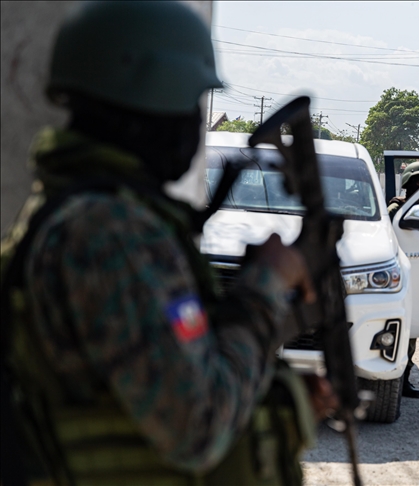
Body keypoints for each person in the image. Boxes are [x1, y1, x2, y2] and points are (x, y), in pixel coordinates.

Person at [0, 2, 331, 484]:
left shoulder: (87, 214)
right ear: (155, 98)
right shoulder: (108, 233)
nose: (195, 122)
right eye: (192, 103)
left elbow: (143, 388)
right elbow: (196, 427)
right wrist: (266, 285)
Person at [387, 161, 419, 399]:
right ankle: (392, 380)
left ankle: (403, 378)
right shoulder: (397, 209)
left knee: (411, 334)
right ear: (410, 184)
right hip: (398, 277)